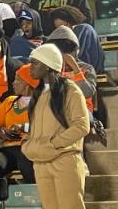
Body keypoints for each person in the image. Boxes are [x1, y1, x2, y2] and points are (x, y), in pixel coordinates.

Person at [21, 43, 91, 209]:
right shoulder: (37, 94)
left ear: (48, 66)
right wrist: (28, 146)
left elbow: (82, 125)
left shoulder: (70, 90)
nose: (31, 67)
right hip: (40, 163)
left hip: (64, 161)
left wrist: (53, 144)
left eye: (35, 63)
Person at [0, 63, 37, 183]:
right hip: (9, 150)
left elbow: (48, 126)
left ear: (28, 83)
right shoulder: (9, 102)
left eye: (18, 79)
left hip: (31, 149)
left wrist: (22, 127)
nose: (13, 83)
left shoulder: (43, 102)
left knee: (27, 162)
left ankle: (36, 198)